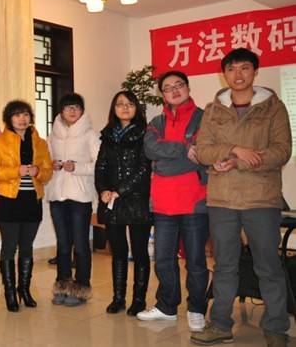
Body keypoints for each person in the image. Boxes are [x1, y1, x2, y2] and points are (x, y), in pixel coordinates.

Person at [192, 48, 291, 347]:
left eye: (245, 68)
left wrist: (240, 162)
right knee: (224, 266)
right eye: (232, 69)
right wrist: (234, 149)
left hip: (261, 198)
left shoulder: (273, 107)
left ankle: (276, 328)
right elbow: (203, 151)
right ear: (224, 73)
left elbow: (282, 151)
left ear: (255, 72)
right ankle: (221, 325)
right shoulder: (213, 109)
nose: (238, 74)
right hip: (221, 199)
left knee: (268, 266)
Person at [138, 71, 209, 332]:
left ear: (188, 87)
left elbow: (202, 154)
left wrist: (162, 164)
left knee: (196, 262)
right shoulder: (157, 121)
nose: (174, 90)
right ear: (162, 94)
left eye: (179, 85)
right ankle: (167, 307)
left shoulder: (204, 118)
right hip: (162, 203)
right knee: (164, 260)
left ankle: (196, 309)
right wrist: (183, 150)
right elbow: (150, 149)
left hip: (194, 202)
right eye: (168, 88)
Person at [0, 100, 52, 312]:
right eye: (17, 115)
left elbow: (48, 171)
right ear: (9, 119)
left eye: (25, 114)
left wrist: (38, 172)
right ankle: (9, 293)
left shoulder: (40, 143)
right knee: (9, 247)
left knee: (26, 247)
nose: (22, 119)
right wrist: (16, 171)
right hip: (9, 200)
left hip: (32, 200)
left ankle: (24, 289)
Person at [95, 90, 152, 317]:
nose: (125, 108)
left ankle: (138, 300)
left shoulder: (145, 133)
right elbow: (100, 167)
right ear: (114, 109)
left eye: (129, 104)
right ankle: (118, 298)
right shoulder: (107, 135)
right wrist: (103, 190)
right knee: (118, 252)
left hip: (137, 201)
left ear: (136, 108)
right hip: (112, 202)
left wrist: (120, 191)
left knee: (139, 253)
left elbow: (143, 170)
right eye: (120, 104)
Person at [45, 93, 100, 308]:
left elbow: (98, 164)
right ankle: (62, 285)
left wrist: (76, 167)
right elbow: (44, 162)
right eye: (68, 107)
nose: (72, 111)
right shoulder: (52, 136)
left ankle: (81, 288)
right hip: (57, 196)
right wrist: (52, 165)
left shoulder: (90, 134)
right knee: (63, 245)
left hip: (80, 196)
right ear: (61, 111)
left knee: (81, 245)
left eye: (76, 107)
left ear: (82, 110)